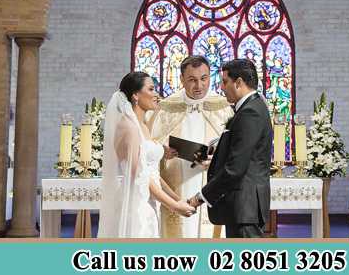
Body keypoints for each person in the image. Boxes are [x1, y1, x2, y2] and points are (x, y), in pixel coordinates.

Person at [98, 72, 195, 238]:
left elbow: (151, 173)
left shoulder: (142, 126)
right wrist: (174, 206)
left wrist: (177, 198)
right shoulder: (128, 127)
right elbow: (140, 177)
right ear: (135, 95)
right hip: (136, 205)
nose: (156, 94)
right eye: (151, 89)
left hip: (148, 202)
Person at [148, 56, 234, 238]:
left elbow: (236, 152)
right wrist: (163, 152)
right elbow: (148, 151)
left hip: (211, 185)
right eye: (192, 80)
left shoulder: (223, 108)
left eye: (204, 79)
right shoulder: (166, 109)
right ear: (181, 79)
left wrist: (217, 161)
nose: (199, 86)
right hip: (176, 186)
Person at [187, 59, 272, 238]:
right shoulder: (250, 108)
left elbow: (235, 169)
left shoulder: (250, 112)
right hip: (242, 208)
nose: (222, 88)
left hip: (244, 207)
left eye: (225, 82)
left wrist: (200, 197)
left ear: (239, 82)